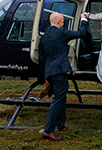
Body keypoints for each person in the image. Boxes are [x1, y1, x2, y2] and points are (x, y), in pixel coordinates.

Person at [38, 11, 89, 141]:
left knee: (61, 96)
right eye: (63, 22)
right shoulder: (61, 32)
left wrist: (45, 76)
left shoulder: (44, 37)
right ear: (59, 22)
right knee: (58, 100)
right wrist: (83, 20)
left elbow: (42, 58)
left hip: (50, 72)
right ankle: (49, 130)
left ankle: (60, 125)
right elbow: (81, 34)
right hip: (59, 71)